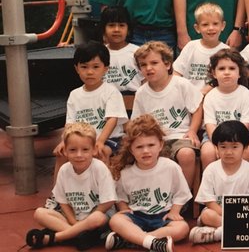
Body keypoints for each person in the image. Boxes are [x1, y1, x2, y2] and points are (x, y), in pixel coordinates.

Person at [106, 115, 191, 252]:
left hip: (163, 216)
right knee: (116, 220)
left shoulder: (170, 167)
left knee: (182, 228)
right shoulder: (126, 172)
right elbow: (120, 196)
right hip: (137, 216)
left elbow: (181, 193)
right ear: (131, 150)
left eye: (151, 145)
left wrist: (175, 211)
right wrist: (123, 208)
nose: (146, 151)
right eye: (139, 147)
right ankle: (152, 242)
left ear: (161, 145)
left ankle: (132, 239)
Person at [27, 123, 116, 250]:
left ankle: (56, 237)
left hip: (96, 217)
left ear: (94, 150)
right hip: (74, 217)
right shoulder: (64, 170)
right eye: (73, 150)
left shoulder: (99, 168)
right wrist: (74, 222)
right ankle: (79, 236)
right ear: (65, 150)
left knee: (97, 218)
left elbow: (108, 202)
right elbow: (62, 202)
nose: (79, 155)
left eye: (85, 149)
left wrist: (87, 221)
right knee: (39, 213)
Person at [132, 41, 203, 189]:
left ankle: (183, 198)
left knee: (186, 154)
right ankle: (159, 198)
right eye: (143, 65)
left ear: (167, 65)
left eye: (154, 63)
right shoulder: (141, 93)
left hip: (180, 136)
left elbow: (197, 108)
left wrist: (192, 131)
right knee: (147, 155)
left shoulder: (181, 84)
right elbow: (137, 122)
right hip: (156, 139)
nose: (149, 68)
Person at [53, 41, 128, 175]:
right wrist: (64, 141)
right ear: (77, 69)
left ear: (105, 69)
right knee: (62, 154)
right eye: (84, 67)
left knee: (101, 152)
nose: (90, 72)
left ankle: (106, 191)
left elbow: (112, 120)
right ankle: (57, 193)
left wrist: (100, 141)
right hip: (82, 140)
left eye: (95, 67)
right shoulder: (74, 95)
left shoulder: (111, 92)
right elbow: (70, 123)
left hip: (110, 139)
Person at [189, 121, 249, 245]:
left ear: (245, 147)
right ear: (216, 148)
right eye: (223, 147)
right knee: (207, 215)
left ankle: (217, 234)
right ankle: (238, 230)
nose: (228, 152)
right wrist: (228, 215)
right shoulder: (211, 170)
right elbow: (209, 202)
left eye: (234, 147)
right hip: (218, 213)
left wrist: (240, 216)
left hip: (244, 216)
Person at [201, 48, 249, 168]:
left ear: (239, 73)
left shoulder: (246, 94)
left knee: (247, 151)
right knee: (207, 152)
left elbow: (246, 124)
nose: (226, 72)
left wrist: (232, 143)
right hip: (215, 136)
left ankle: (242, 183)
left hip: (241, 135)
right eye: (221, 69)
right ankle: (212, 184)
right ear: (214, 73)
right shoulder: (210, 96)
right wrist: (218, 144)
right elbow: (210, 125)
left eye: (232, 68)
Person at [172, 2, 228, 95]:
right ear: (197, 28)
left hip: (213, 97)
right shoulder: (191, 46)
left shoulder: (226, 51)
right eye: (205, 24)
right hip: (187, 96)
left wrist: (204, 92)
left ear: (222, 26)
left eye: (215, 24)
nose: (211, 28)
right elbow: (176, 73)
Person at [100, 5, 143, 93]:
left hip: (134, 101)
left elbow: (146, 80)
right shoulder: (99, 53)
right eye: (111, 25)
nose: (116, 29)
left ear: (128, 29)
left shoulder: (138, 52)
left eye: (121, 25)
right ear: (103, 29)